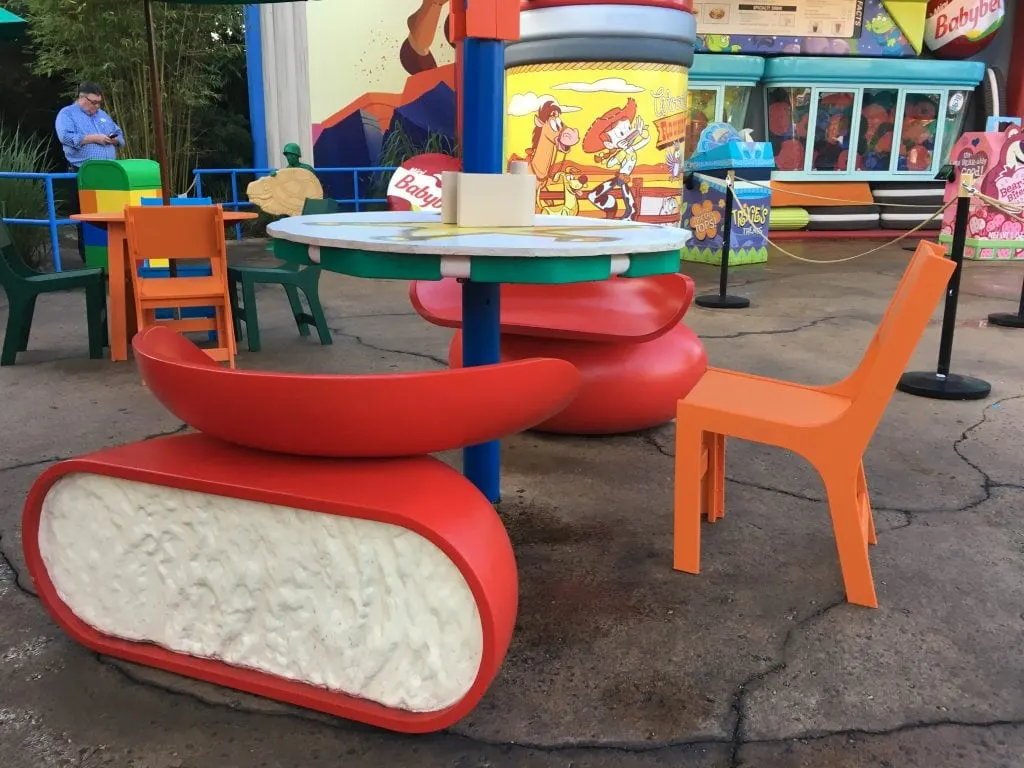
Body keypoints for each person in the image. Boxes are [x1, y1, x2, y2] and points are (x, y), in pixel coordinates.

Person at [55, 82, 125, 262]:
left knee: (109, 215)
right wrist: (92, 138)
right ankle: (89, 259)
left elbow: (119, 133)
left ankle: (112, 256)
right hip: (82, 172)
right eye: (93, 102)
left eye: (99, 103)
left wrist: (114, 140)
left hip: (108, 173)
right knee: (86, 215)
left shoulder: (102, 115)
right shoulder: (67, 114)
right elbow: (65, 137)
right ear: (81, 98)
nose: (96, 106)